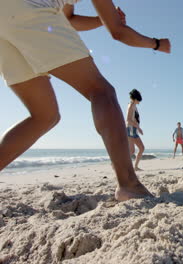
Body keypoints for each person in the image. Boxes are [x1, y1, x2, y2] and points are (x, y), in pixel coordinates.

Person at [0, 0, 171, 201]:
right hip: (27, 10)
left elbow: (68, 19)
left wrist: (101, 19)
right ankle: (128, 184)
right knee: (101, 91)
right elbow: (118, 32)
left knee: (44, 116)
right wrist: (158, 44)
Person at [126, 89, 145, 171]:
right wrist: (138, 128)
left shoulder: (134, 106)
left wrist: (137, 128)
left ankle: (135, 167)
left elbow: (134, 120)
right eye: (138, 100)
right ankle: (116, 163)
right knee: (131, 151)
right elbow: (128, 120)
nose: (139, 102)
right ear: (134, 98)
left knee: (141, 148)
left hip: (134, 129)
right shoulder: (131, 106)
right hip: (130, 129)